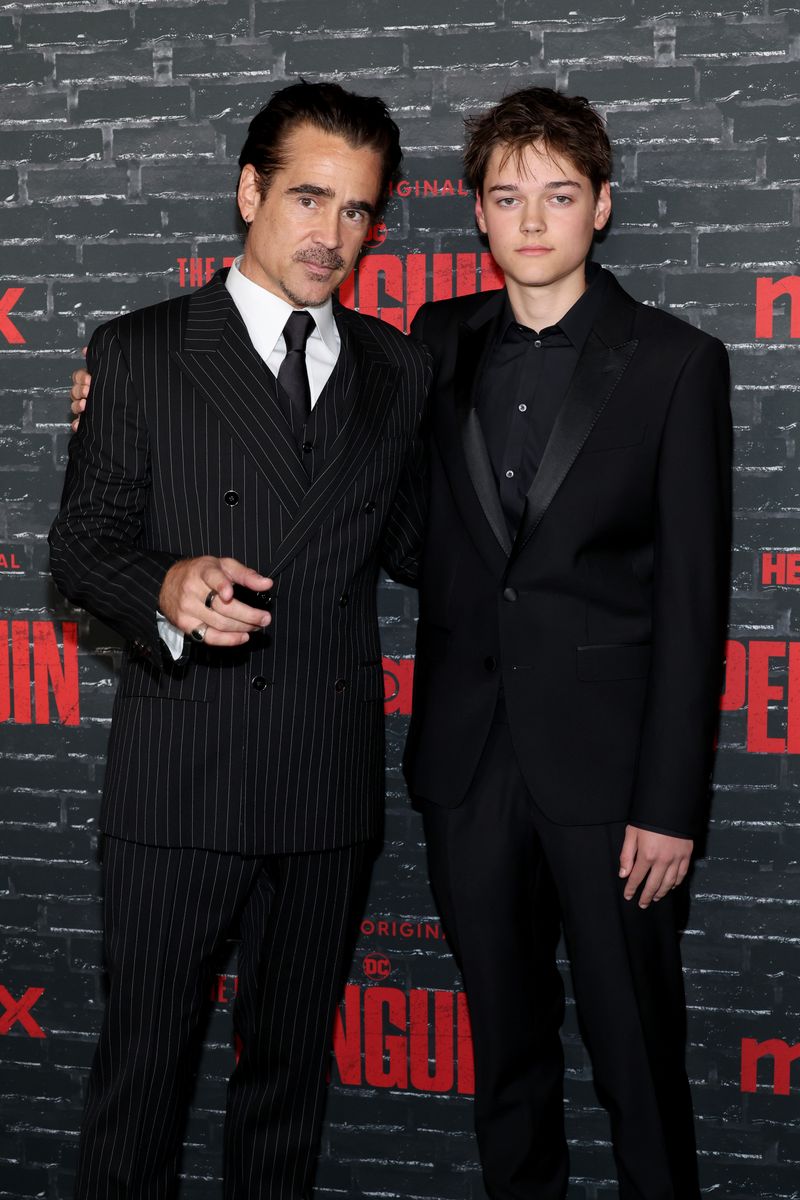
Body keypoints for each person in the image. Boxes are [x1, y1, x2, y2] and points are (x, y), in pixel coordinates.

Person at [50, 80, 429, 1200]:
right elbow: (81, 548)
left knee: (285, 1088)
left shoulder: (397, 367)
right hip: (180, 780)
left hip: (321, 778)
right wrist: (166, 581)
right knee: (142, 1082)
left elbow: (415, 544)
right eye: (308, 198)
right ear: (248, 191)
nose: (330, 236)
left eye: (357, 212)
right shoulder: (140, 351)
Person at [403, 88, 731, 1198]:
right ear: (477, 217)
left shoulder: (675, 363)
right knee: (505, 1059)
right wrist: (143, 389)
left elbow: (694, 600)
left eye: (556, 195)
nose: (531, 220)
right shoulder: (436, 340)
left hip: (611, 784)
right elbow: (364, 468)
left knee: (637, 1063)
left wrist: (668, 803)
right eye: (506, 197)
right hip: (464, 765)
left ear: (601, 207)